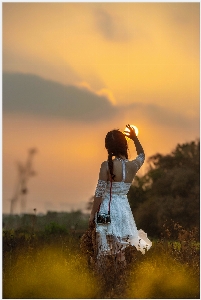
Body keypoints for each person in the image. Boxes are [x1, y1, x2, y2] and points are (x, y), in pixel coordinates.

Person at [89, 124, 152, 264]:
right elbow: (142, 155)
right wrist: (135, 138)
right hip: (124, 211)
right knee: (120, 252)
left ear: (108, 147)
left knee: (102, 250)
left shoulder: (106, 165)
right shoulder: (133, 165)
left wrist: (93, 214)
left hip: (106, 210)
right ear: (124, 145)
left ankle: (103, 280)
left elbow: (99, 192)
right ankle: (120, 282)